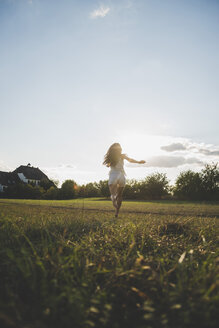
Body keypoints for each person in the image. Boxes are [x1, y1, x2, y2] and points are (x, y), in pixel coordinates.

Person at [103, 143, 146, 217]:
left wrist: (108, 165)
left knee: (113, 192)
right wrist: (138, 162)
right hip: (121, 176)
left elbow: (109, 164)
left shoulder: (110, 157)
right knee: (120, 195)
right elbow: (130, 160)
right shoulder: (122, 156)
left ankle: (113, 200)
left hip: (114, 175)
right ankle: (117, 212)